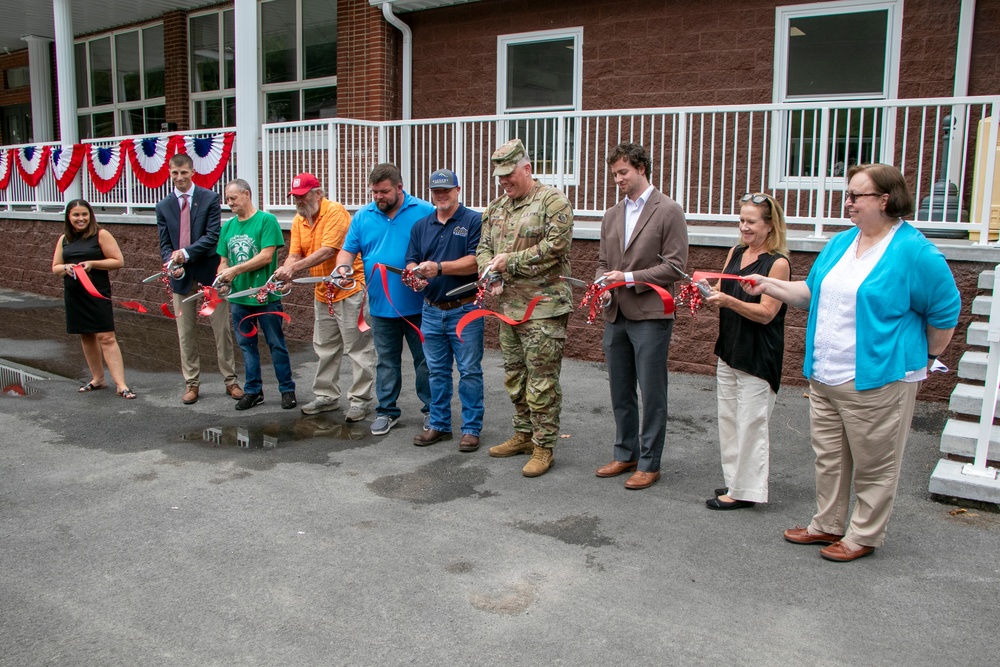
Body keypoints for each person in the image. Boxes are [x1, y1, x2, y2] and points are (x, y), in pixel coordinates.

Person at [745, 164, 960, 562]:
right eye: (848, 194)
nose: (847, 202)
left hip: (878, 377)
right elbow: (812, 293)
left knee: (875, 463)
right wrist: (768, 284)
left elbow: (945, 312)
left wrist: (926, 358)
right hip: (827, 373)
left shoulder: (914, 251)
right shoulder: (843, 242)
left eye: (855, 195)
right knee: (829, 456)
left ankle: (864, 534)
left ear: (885, 200)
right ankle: (827, 523)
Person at [477, 138, 574, 478]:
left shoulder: (553, 202)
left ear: (527, 168)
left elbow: (555, 247)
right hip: (508, 309)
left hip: (544, 309)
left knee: (542, 381)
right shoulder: (495, 208)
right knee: (515, 376)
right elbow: (483, 249)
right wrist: (490, 272)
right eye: (499, 175)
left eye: (509, 174)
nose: (504, 181)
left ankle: (544, 446)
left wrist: (510, 263)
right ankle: (523, 434)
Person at [594, 143, 688, 490]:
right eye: (615, 174)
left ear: (642, 168)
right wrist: (602, 283)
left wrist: (629, 278)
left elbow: (676, 267)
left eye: (624, 172)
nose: (618, 179)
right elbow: (603, 263)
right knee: (620, 391)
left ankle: (650, 463)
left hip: (650, 314)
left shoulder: (669, 211)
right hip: (615, 313)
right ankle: (626, 453)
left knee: (652, 391)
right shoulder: (611, 214)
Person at [702, 193, 790, 509]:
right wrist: (706, 292)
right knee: (728, 419)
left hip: (758, 353)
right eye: (741, 220)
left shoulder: (777, 263)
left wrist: (728, 301)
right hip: (730, 347)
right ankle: (735, 483)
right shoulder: (736, 251)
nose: (744, 227)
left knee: (752, 423)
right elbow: (723, 289)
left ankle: (745, 492)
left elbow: (767, 312)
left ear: (769, 225)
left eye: (751, 222)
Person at [335, 164, 434, 436]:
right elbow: (346, 252)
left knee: (425, 362)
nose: (378, 197)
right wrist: (342, 269)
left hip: (419, 307)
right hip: (380, 307)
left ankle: (432, 412)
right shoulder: (363, 216)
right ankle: (387, 411)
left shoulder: (424, 211)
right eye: (374, 192)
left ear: (400, 188)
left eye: (384, 192)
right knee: (386, 362)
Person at [273, 173, 375, 422]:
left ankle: (360, 401)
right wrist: (285, 270)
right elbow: (294, 254)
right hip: (323, 291)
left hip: (350, 289)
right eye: (295, 196)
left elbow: (328, 250)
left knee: (358, 348)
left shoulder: (334, 211)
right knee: (325, 346)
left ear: (318, 193)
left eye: (302, 195)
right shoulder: (300, 219)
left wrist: (293, 269)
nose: (298, 201)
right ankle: (327, 396)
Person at [405, 169, 484, 452]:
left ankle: (471, 428)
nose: (441, 195)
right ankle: (438, 424)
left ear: (458, 190)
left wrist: (438, 268)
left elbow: (477, 262)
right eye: (436, 191)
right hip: (431, 309)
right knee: (436, 371)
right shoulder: (421, 225)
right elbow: (411, 260)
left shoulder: (474, 220)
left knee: (469, 371)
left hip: (466, 309)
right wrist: (414, 274)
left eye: (446, 190)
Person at [155, 153, 242, 405]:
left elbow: (212, 235)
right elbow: (164, 244)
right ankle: (192, 384)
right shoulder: (163, 206)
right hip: (181, 278)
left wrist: (184, 254)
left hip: (209, 275)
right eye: (175, 173)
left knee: (221, 329)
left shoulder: (209, 198)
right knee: (186, 333)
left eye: (184, 172)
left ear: (192, 172)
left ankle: (231, 381)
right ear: (169, 173)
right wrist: (173, 265)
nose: (180, 177)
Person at [216, 179, 297, 411]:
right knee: (246, 346)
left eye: (233, 198)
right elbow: (223, 261)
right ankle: (253, 391)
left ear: (247, 194)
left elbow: (265, 256)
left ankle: (287, 389)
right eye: (227, 199)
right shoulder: (228, 227)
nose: (229, 203)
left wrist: (234, 270)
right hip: (238, 298)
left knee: (276, 343)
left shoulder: (266, 220)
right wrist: (222, 277)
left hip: (265, 296)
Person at [51, 199, 135, 399]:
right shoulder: (64, 239)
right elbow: (55, 267)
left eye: (84, 214)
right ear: (69, 217)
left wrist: (92, 263)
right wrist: (66, 267)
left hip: (97, 293)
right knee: (86, 335)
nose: (81, 219)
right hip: (74, 295)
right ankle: (98, 379)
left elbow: (118, 261)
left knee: (106, 337)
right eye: (76, 215)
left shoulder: (101, 235)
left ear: (90, 216)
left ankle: (121, 384)